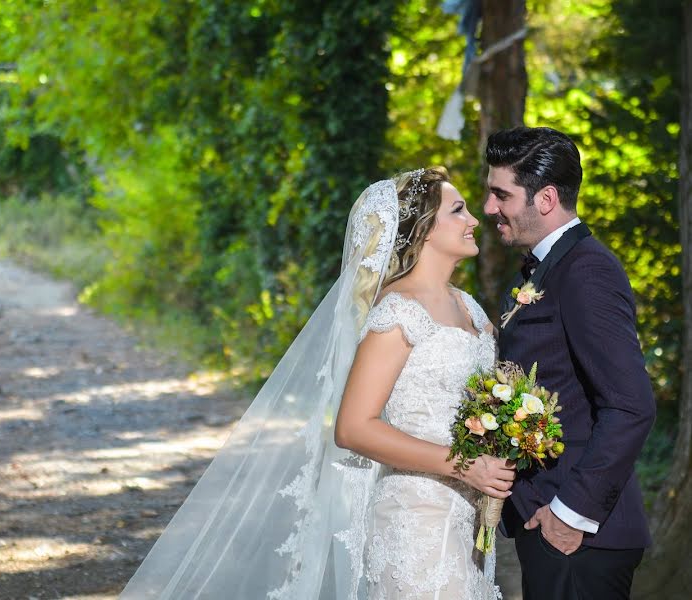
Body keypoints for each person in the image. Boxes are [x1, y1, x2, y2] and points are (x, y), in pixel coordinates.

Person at [120, 168, 511, 599]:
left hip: (467, 516)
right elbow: (353, 427)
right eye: (458, 210)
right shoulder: (398, 312)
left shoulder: (469, 307)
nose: (475, 219)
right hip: (416, 516)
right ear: (422, 228)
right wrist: (462, 464)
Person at [484, 126, 656, 600]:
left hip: (579, 535)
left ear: (545, 199)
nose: (489, 208)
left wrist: (569, 513)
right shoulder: (543, 268)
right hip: (551, 526)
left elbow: (631, 405)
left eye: (501, 194)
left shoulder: (586, 269)